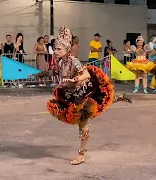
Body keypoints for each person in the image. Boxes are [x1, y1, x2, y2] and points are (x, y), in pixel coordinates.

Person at [47, 26, 130, 165]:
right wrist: (42, 73)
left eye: (58, 49)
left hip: (81, 94)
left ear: (67, 50)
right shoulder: (60, 62)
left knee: (82, 124)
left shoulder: (74, 61)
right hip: (69, 94)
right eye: (55, 49)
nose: (55, 52)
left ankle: (81, 154)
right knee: (97, 103)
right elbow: (56, 73)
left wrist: (74, 80)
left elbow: (85, 74)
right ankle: (116, 98)